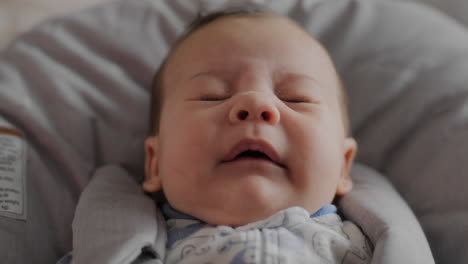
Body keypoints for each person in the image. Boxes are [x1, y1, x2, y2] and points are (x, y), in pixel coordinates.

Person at [141, 6, 373, 264]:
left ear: (343, 165)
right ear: (155, 163)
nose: (255, 103)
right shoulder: (138, 248)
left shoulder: (372, 247)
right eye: (212, 95)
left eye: (296, 98)